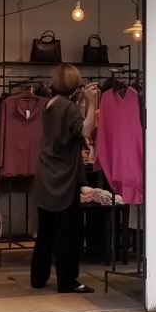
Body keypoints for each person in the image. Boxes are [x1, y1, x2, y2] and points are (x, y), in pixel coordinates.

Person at [30, 64, 96, 294]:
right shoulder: (68, 107)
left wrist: (80, 102)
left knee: (45, 231)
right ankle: (67, 281)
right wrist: (91, 103)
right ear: (73, 83)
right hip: (63, 176)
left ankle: (38, 277)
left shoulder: (48, 104)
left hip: (45, 173)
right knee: (67, 232)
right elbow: (85, 130)